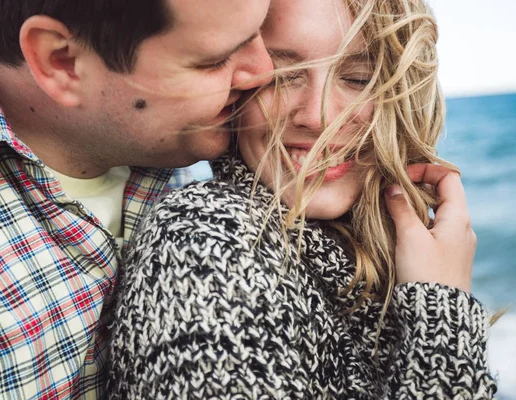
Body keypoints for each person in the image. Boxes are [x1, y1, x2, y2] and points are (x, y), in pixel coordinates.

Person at [107, 0, 497, 398]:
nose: (319, 116)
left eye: (359, 78)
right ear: (237, 86)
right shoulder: (204, 244)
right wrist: (441, 318)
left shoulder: (371, 253)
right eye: (283, 75)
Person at [0, 0, 274, 398]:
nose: (265, 70)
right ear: (62, 61)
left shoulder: (257, 135)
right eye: (216, 59)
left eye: (262, 29)